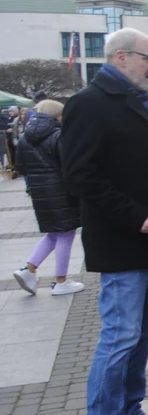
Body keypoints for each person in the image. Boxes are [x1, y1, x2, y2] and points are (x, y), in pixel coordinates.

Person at [62, 28, 148, 415]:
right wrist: (134, 214)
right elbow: (79, 176)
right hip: (123, 241)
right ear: (120, 58)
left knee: (141, 331)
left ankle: (127, 413)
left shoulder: (132, 102)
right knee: (119, 336)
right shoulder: (89, 104)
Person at [12, 100, 84, 296]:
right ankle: (60, 280)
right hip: (60, 190)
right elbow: (68, 165)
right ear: (56, 115)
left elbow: (21, 167)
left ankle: (29, 269)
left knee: (54, 233)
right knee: (65, 234)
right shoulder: (58, 135)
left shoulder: (26, 137)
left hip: (39, 191)